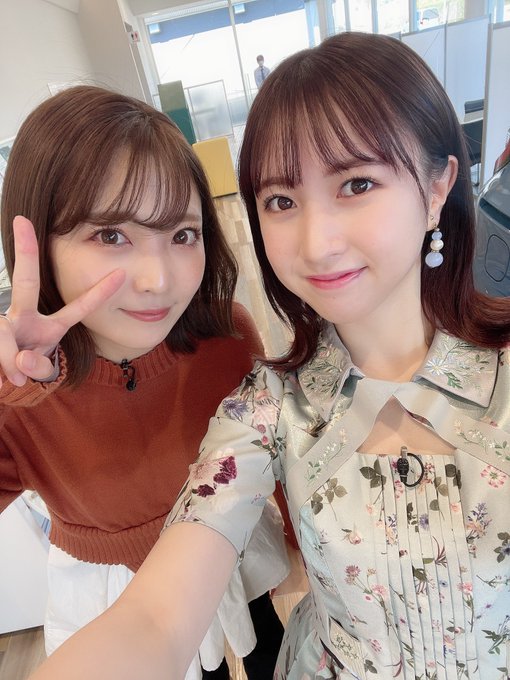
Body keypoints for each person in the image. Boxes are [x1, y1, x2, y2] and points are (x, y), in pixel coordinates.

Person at [28, 31, 510, 680]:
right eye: (282, 201)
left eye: (356, 183)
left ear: (436, 188)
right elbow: (156, 618)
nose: (316, 242)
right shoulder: (266, 409)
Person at [0, 85, 289, 680]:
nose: (159, 278)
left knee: (265, 650)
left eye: (182, 235)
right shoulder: (18, 392)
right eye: (111, 235)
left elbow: (272, 456)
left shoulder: (226, 336)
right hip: (113, 591)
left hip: (228, 548)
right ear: (39, 244)